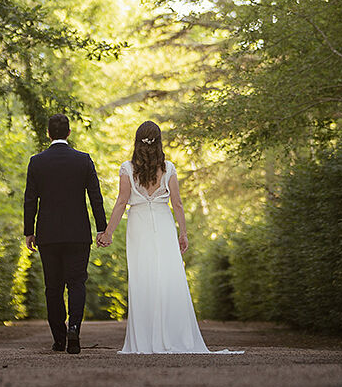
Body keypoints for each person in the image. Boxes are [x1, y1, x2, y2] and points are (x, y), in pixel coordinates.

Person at [98, 121, 240, 354]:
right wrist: (183, 233)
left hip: (139, 224)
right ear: (158, 142)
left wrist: (108, 233)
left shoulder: (127, 168)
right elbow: (177, 203)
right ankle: (174, 335)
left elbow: (122, 202)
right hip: (164, 224)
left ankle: (145, 339)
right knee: (168, 276)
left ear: (137, 141)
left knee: (143, 277)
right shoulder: (169, 168)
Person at [23, 113, 107, 354]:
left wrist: (29, 231)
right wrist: (101, 228)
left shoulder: (37, 162)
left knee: (53, 287)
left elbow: (30, 200)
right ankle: (74, 329)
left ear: (48, 133)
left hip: (48, 235)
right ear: (69, 133)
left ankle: (59, 338)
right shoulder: (83, 160)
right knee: (77, 283)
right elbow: (95, 197)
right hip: (78, 234)